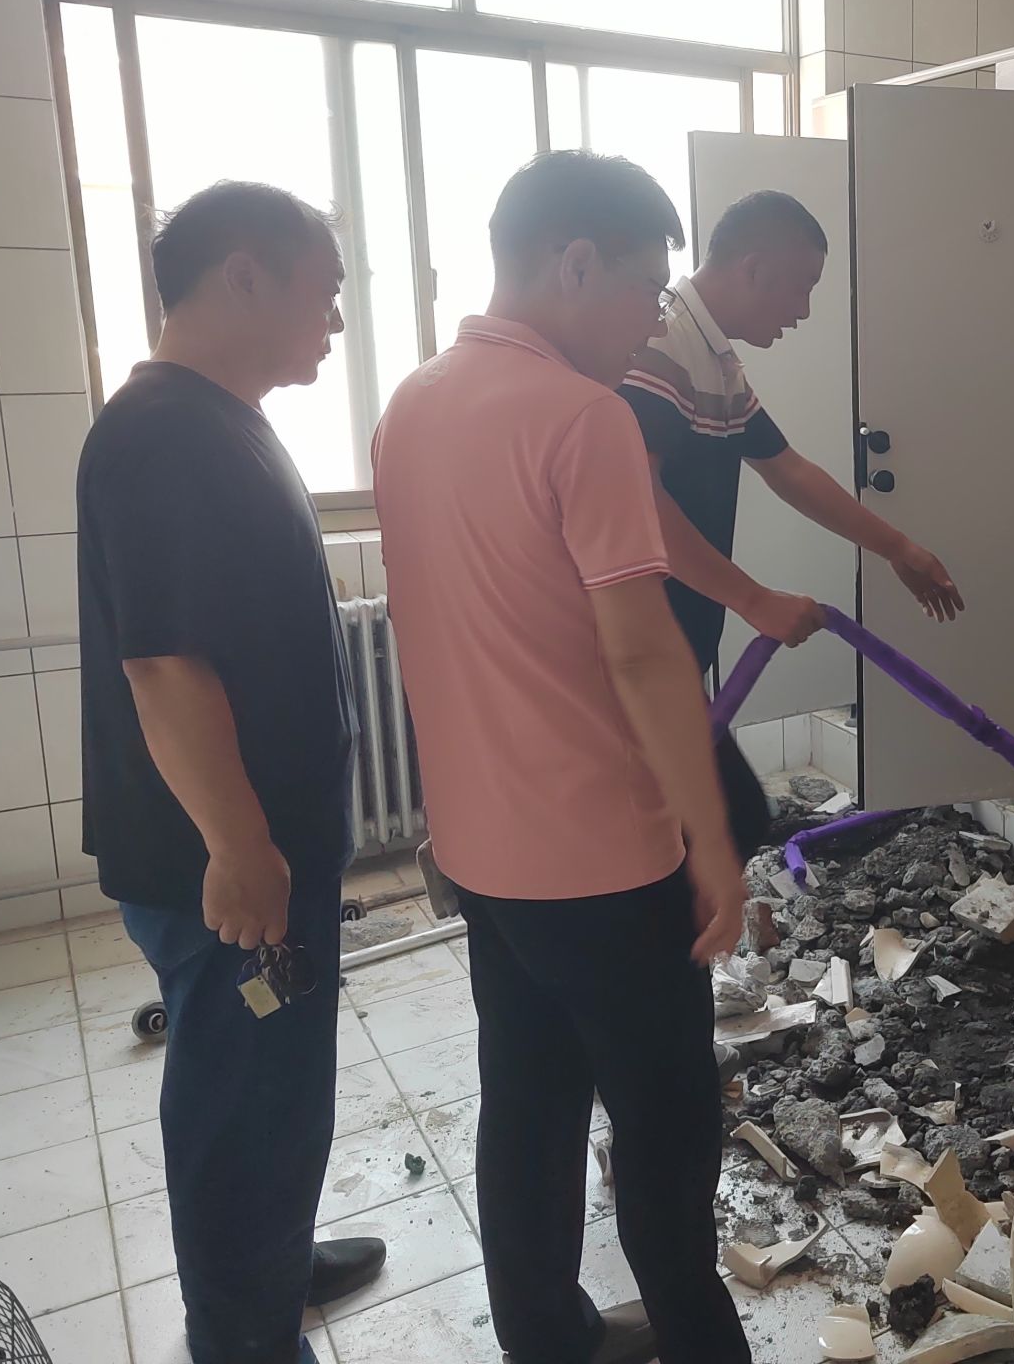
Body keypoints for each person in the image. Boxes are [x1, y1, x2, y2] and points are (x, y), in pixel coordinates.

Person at [372, 151, 751, 1364]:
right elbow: (643, 655)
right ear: (574, 263)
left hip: (484, 853)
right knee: (667, 1131)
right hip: (602, 862)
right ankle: (702, 1346)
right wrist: (710, 840)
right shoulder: (582, 416)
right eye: (647, 289)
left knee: (528, 1104)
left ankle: (543, 1336)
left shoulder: (412, 403)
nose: (652, 320)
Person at [76, 181, 386, 1364]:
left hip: (261, 849)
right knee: (241, 1108)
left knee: (280, 1090)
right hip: (219, 865)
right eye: (326, 292)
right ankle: (242, 1336)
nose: (336, 321)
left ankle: (272, 1264)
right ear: (243, 275)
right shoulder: (161, 435)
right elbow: (164, 667)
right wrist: (240, 846)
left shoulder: (222, 419)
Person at [620, 189, 963, 676]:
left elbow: (788, 470)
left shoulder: (715, 361)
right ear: (755, 270)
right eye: (803, 288)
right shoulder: (663, 344)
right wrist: (753, 599)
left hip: (672, 644)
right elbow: (636, 500)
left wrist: (898, 548)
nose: (803, 312)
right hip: (633, 652)